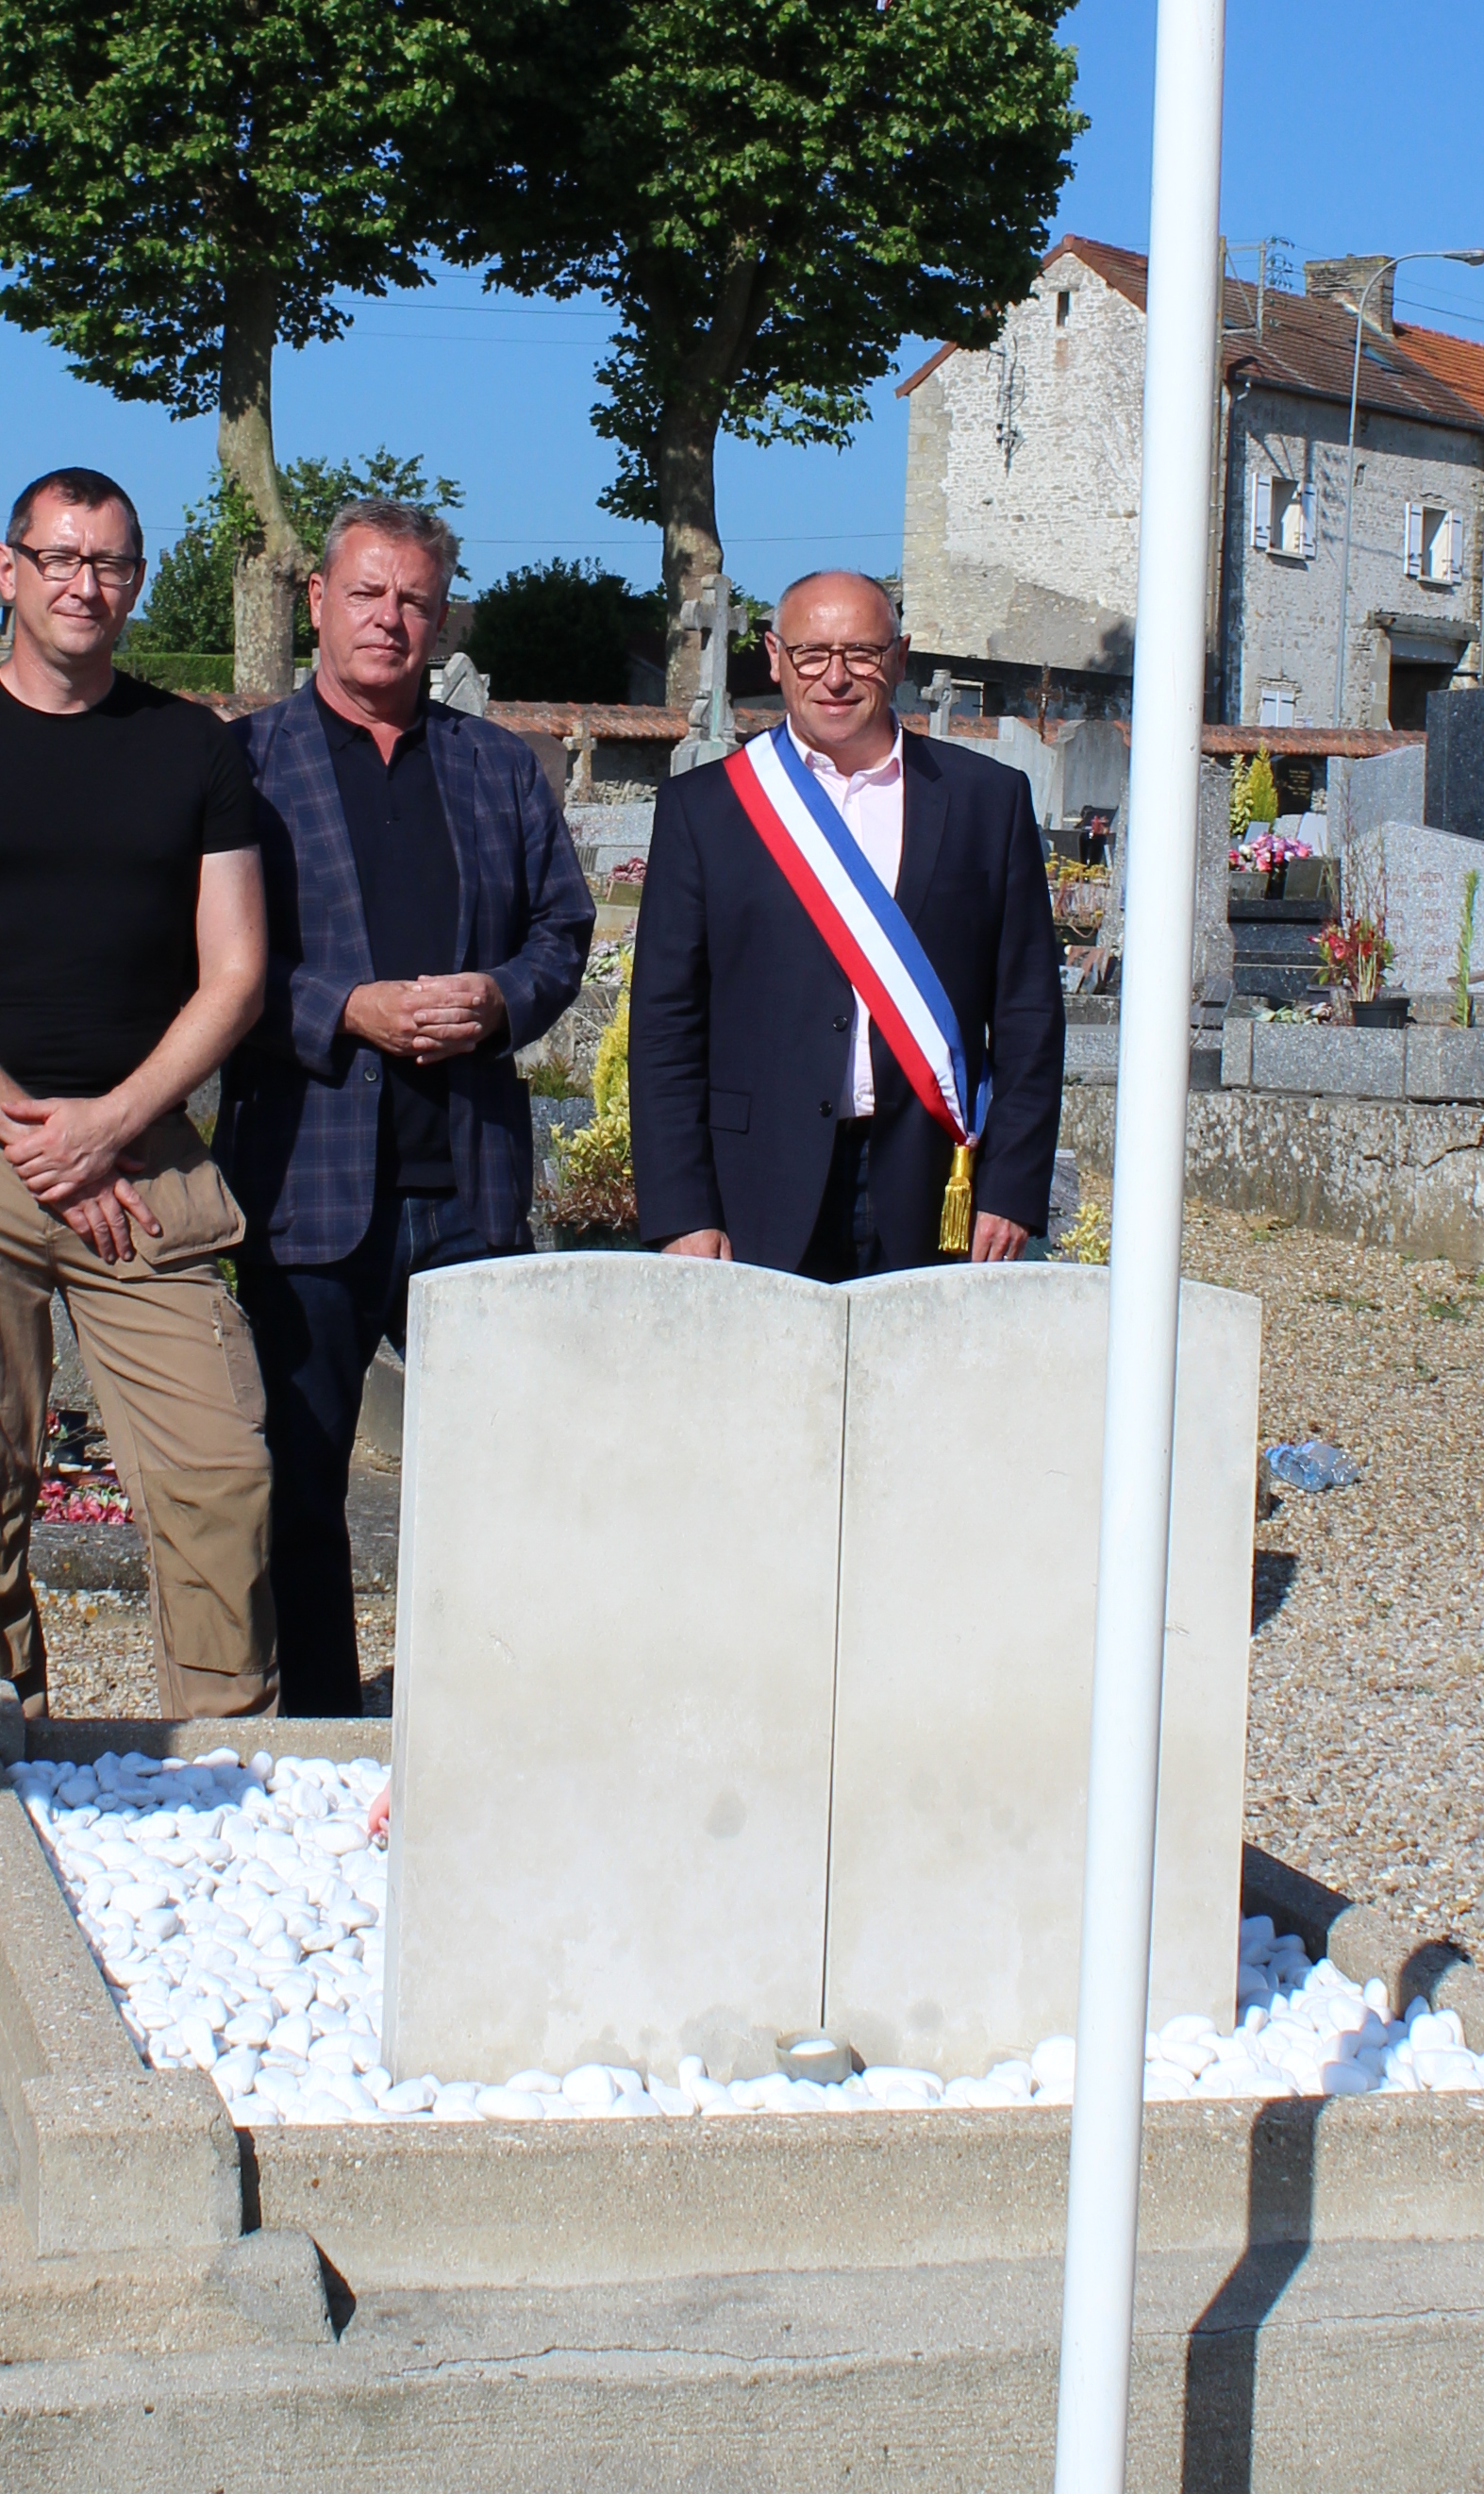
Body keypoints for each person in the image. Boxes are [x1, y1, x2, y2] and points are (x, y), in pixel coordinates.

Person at [0, 467, 277, 1721]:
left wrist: (109, 1123)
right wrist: (34, 1133)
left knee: (218, 1477)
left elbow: (235, 972)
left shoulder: (191, 748)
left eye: (114, 565)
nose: (89, 587)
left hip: (141, 1154)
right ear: (8, 568)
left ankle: (223, 1759)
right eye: (65, 559)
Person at [222, 494, 592, 1712]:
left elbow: (563, 929)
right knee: (306, 1467)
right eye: (368, 594)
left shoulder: (496, 767)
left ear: (442, 618)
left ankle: (474, 1700)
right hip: (310, 1173)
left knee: (493, 1467)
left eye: (415, 600)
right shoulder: (244, 766)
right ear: (317, 603)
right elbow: (205, 964)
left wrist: (499, 999)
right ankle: (324, 1720)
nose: (391, 619)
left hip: (468, 1177)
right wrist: (345, 1011)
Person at [625, 568, 1062, 1277]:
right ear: (774, 657)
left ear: (899, 656)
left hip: (931, 1176)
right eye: (811, 654)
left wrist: (1011, 1189)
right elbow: (665, 1023)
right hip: (753, 1182)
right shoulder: (704, 810)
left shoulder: (988, 801)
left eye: (860, 652)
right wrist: (681, 1210)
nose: (835, 677)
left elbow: (1029, 1016)